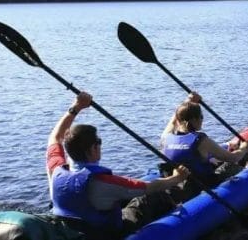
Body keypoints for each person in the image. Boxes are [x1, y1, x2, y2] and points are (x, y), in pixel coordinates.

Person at [47, 91, 190, 240]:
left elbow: (55, 137)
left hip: (72, 230)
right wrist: (177, 178)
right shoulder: (104, 182)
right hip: (107, 233)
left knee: (117, 198)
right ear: (92, 149)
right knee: (149, 198)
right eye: (99, 142)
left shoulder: (56, 170)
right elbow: (150, 187)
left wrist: (76, 107)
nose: (100, 145)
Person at [160, 92, 248, 201]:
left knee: (210, 158)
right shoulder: (200, 140)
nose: (202, 120)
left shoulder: (166, 137)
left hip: (178, 183)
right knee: (234, 163)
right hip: (201, 185)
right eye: (201, 117)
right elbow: (233, 158)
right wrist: (244, 148)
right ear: (195, 120)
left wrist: (188, 101)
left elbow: (175, 118)